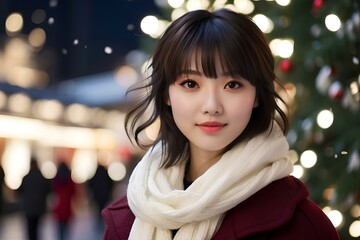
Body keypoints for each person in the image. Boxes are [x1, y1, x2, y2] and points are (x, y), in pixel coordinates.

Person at [102, 8, 340, 240]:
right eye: (190, 84)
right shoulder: (128, 219)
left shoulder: (302, 226)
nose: (212, 105)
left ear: (257, 94)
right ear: (166, 93)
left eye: (233, 84)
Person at [18, 157, 52, 240]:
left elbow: (19, 191)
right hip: (39, 207)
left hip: (28, 208)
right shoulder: (42, 177)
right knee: (37, 228)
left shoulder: (26, 178)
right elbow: (49, 189)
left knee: (30, 228)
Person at [52, 161, 76, 240]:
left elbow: (53, 192)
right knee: (66, 229)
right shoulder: (70, 181)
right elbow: (74, 193)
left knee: (60, 229)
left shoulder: (56, 180)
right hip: (67, 208)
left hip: (58, 208)